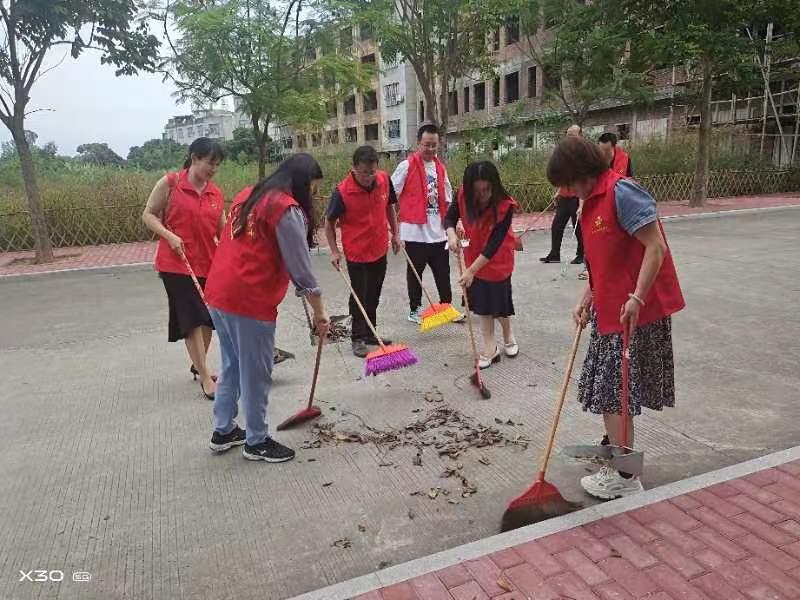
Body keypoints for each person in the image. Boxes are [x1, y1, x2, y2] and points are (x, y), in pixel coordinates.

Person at [546, 136, 685, 499]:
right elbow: (603, 260)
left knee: (615, 396)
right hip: (609, 311)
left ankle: (626, 478)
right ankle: (622, 467)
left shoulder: (623, 192)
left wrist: (638, 297)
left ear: (582, 171)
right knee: (612, 395)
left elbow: (656, 247)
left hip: (633, 313)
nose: (568, 189)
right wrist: (587, 296)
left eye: (569, 180)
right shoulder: (588, 201)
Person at [203, 154, 330, 463]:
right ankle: (256, 440)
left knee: (233, 363)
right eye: (312, 189)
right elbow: (301, 269)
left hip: (219, 291)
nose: (312, 196)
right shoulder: (285, 209)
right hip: (249, 298)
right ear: (301, 183)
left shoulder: (251, 194)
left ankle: (223, 430)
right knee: (256, 372)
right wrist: (319, 311)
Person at [142, 137, 225, 400]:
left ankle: (198, 364)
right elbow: (148, 214)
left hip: (207, 263)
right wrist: (169, 235)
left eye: (217, 165)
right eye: (209, 162)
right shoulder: (171, 183)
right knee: (192, 318)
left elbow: (222, 232)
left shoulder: (215, 193)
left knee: (209, 319)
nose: (213, 169)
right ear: (194, 158)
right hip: (176, 264)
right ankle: (205, 377)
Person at [325, 146, 401, 358]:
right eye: (365, 173)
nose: (370, 177)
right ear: (354, 169)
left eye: (372, 172)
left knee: (374, 292)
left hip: (379, 247)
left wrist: (395, 234)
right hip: (356, 252)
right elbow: (329, 223)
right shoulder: (342, 191)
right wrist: (334, 251)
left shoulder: (384, 180)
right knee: (359, 294)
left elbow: (390, 207)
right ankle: (357, 337)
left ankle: (369, 332)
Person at [445, 161, 518, 368]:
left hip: (497, 261)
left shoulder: (505, 206)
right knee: (483, 306)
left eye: (486, 189)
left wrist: (470, 271)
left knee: (500, 306)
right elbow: (450, 218)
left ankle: (508, 333)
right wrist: (451, 234)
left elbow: (493, 245)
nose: (482, 195)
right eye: (477, 191)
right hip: (473, 257)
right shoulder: (463, 196)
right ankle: (490, 348)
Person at [392, 123, 463, 325]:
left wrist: (455, 224)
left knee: (443, 272)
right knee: (415, 273)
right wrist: (394, 228)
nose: (431, 149)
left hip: (438, 231)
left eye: (434, 145)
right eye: (427, 145)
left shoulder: (440, 167)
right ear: (418, 143)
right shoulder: (407, 165)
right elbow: (390, 192)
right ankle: (415, 309)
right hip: (414, 232)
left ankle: (446, 307)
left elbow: (448, 197)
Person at [540, 124, 584, 265]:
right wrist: (558, 192)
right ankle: (554, 254)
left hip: (577, 196)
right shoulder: (564, 153)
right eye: (568, 134)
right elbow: (563, 175)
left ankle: (581, 254)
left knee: (578, 227)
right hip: (565, 196)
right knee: (557, 225)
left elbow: (584, 178)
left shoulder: (583, 153)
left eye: (573, 134)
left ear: (580, 135)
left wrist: (582, 203)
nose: (570, 137)